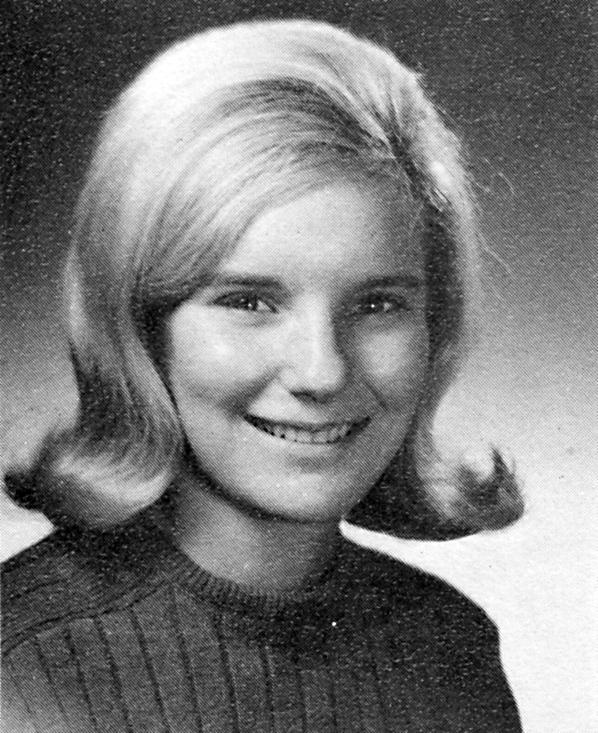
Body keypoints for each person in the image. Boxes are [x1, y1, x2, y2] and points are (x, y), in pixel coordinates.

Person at [2, 19, 524, 732]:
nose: (322, 371)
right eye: (248, 301)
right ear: (140, 327)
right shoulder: (21, 664)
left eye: (377, 304)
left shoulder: (448, 647)